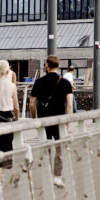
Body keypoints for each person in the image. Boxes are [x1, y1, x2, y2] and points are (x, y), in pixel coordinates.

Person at [29, 55, 74, 187]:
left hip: (43, 121)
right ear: (58, 66)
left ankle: (47, 175)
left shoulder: (38, 82)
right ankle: (57, 176)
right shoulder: (65, 83)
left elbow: (32, 103)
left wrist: (34, 119)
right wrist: (68, 121)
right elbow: (70, 104)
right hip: (59, 120)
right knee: (59, 148)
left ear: (47, 66)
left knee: (46, 148)